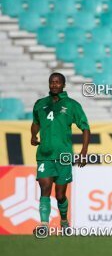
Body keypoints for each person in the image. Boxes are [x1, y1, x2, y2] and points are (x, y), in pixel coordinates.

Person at [31, 73, 90, 232]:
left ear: (63, 85)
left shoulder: (72, 105)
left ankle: (64, 220)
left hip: (63, 156)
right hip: (44, 155)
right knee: (45, 186)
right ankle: (44, 224)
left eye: (57, 82)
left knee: (60, 195)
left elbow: (85, 128)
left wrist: (83, 152)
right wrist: (33, 135)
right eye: (52, 82)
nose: (54, 85)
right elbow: (35, 123)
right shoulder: (40, 104)